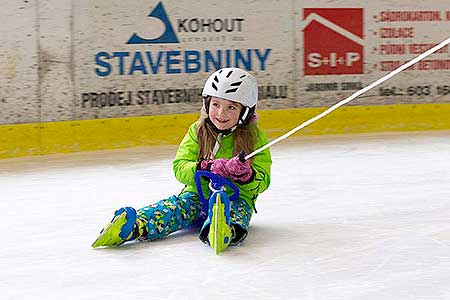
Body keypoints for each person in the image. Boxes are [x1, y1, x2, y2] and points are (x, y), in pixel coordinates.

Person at [92, 67, 272, 249]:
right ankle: (134, 226)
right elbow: (180, 167)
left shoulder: (255, 138)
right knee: (174, 208)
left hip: (236, 198)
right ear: (207, 102)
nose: (220, 114)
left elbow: (263, 180)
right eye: (216, 104)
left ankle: (224, 229)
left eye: (231, 107)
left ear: (245, 112)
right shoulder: (198, 131)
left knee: (236, 213)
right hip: (197, 195)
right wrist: (206, 167)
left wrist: (246, 176)